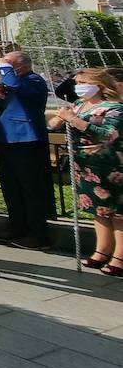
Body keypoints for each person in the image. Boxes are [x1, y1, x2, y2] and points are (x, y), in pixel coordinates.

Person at [50, 68, 123, 276]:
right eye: (77, 82)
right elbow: (54, 124)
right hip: (85, 167)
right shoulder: (80, 105)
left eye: (84, 81)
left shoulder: (115, 108)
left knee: (117, 213)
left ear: (100, 85)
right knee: (98, 211)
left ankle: (120, 257)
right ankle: (102, 251)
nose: (79, 86)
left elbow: (107, 135)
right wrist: (60, 119)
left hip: (110, 167)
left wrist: (73, 120)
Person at [0, 51, 53, 250]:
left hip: (26, 140)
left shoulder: (33, 80)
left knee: (31, 188)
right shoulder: (9, 81)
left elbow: (15, 86)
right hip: (5, 139)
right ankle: (16, 227)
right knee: (11, 187)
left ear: (22, 65)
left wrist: (5, 68)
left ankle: (38, 234)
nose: (2, 65)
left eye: (8, 63)